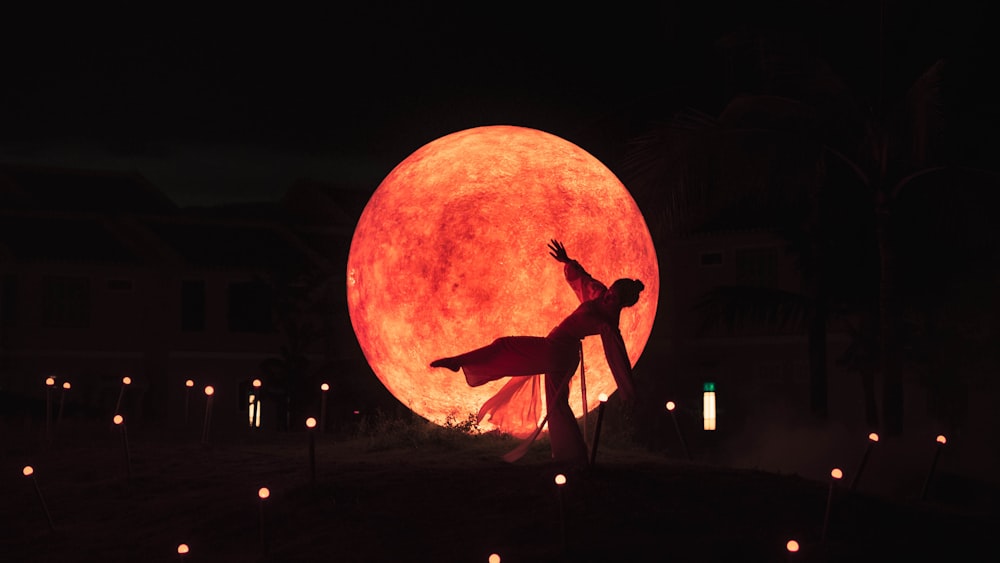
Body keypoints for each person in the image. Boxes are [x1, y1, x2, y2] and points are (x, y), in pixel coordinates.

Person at [431, 239, 644, 467]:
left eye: (613, 299)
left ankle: (460, 362)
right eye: (610, 291)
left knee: (505, 345)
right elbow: (584, 279)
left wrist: (628, 392)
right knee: (558, 406)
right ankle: (571, 456)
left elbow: (617, 356)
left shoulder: (608, 324)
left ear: (621, 305)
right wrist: (567, 261)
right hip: (563, 353)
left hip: (558, 351)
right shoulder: (599, 295)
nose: (607, 297)